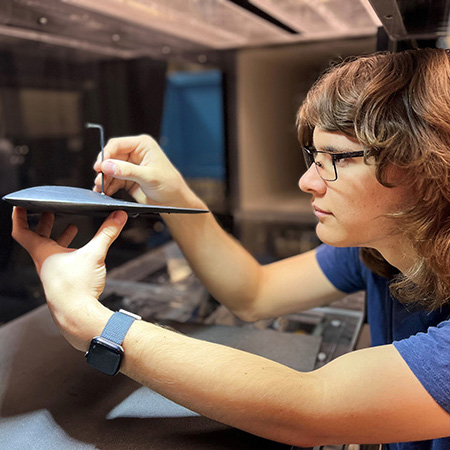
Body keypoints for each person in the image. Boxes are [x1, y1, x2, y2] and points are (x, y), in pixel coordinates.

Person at [11, 48, 450, 449]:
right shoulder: (381, 252)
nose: (308, 182)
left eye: (337, 159)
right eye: (313, 157)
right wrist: (174, 193)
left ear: (428, 164)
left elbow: (312, 408)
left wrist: (84, 318)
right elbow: (254, 292)